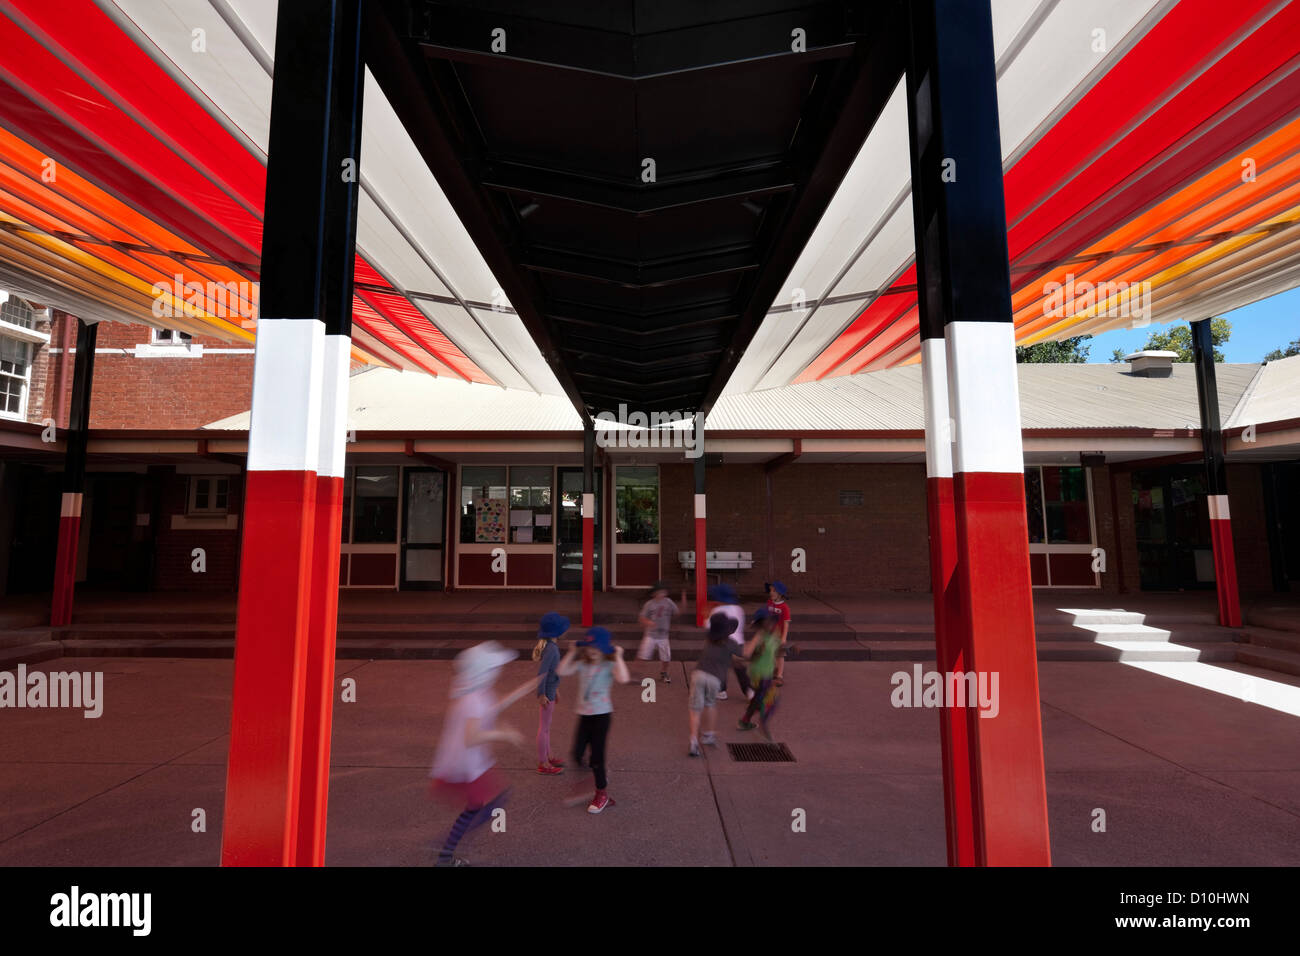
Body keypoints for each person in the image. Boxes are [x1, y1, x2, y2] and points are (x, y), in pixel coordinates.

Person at [429, 641, 541, 866]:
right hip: (468, 763)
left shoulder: (475, 691)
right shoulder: (473, 700)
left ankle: (445, 852)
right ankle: (445, 851)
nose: (498, 671)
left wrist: (520, 691)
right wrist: (504, 734)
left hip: (471, 760)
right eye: (494, 668)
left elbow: (491, 708)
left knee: (483, 804)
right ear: (485, 673)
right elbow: (471, 738)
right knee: (487, 803)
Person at [557, 626, 631, 813]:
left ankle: (602, 793)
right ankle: (595, 772)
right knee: (577, 752)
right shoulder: (583, 662)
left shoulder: (608, 664)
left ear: (605, 650)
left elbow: (623, 678)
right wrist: (572, 652)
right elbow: (562, 671)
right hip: (584, 715)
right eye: (590, 649)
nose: (593, 652)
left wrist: (619, 656)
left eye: (597, 649)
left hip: (601, 716)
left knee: (597, 757)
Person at [688, 613, 750, 756]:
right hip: (715, 679)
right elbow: (744, 654)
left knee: (695, 710)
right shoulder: (730, 643)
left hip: (698, 675)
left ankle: (693, 741)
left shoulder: (709, 638)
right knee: (710, 705)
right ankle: (708, 735)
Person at [738, 607, 786, 740]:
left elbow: (778, 651)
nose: (769, 624)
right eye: (766, 622)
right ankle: (764, 724)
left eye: (771, 621)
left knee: (758, 698)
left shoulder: (774, 634)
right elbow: (748, 652)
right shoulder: (760, 635)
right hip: (759, 674)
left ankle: (745, 721)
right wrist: (755, 652)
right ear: (761, 624)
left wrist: (788, 650)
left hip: (767, 673)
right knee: (772, 699)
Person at [532, 611, 570, 775]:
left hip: (551, 692)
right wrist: (541, 694)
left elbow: (552, 673)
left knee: (546, 727)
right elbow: (543, 672)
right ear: (557, 632)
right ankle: (543, 763)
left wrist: (557, 690)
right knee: (544, 728)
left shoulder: (550, 646)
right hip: (547, 695)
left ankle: (549, 755)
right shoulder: (552, 649)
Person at [708, 583, 749, 701]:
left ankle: (721, 691)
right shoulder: (738, 609)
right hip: (738, 644)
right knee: (740, 669)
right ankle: (749, 692)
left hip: (723, 644)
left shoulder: (716, 610)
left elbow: (710, 627)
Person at [637, 580, 678, 684]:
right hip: (651, 634)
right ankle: (637, 673)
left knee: (666, 656)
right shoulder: (649, 604)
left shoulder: (668, 602)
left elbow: (676, 612)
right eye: (659, 592)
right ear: (654, 593)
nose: (661, 595)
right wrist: (648, 622)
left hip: (663, 635)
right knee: (643, 655)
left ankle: (664, 672)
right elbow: (641, 617)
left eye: (663, 592)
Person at [765, 580, 792, 686]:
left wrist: (784, 637)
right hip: (769, 635)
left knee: (780, 655)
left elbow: (786, 624)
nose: (771, 593)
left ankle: (779, 676)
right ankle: (772, 671)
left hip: (779, 636)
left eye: (774, 591)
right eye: (770, 590)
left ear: (780, 594)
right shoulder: (769, 603)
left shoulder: (784, 607)